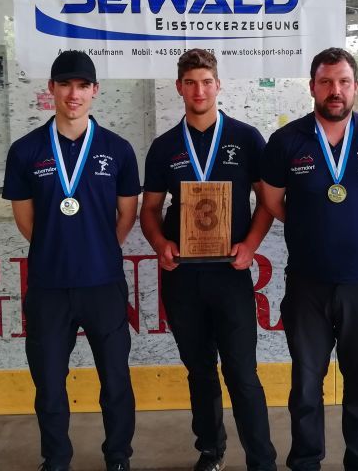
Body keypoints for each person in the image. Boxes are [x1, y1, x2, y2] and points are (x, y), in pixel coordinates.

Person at [261, 47, 358, 471]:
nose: (334, 90)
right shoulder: (287, 140)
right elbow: (272, 200)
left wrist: (351, 220)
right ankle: (306, 462)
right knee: (306, 386)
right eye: (325, 82)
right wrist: (313, 223)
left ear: (356, 87)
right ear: (312, 87)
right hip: (307, 284)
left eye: (343, 82)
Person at [140, 48, 277, 471]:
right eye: (190, 83)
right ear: (179, 87)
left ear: (218, 85)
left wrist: (250, 245)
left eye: (206, 82)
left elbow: (267, 202)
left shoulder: (246, 138)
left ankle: (261, 459)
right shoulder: (164, 147)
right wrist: (159, 243)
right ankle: (210, 451)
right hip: (182, 276)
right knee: (199, 370)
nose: (198, 90)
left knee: (242, 372)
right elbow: (149, 210)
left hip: (231, 274)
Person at [2, 50, 139, 471]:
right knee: (48, 383)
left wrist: (97, 248)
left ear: (95, 90)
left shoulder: (117, 149)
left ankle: (118, 456)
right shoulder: (26, 150)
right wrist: (58, 247)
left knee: (115, 379)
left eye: (82, 86)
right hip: (49, 287)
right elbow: (25, 220)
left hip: (103, 285)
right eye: (65, 84)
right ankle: (56, 459)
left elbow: (127, 214)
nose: (73, 94)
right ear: (51, 89)